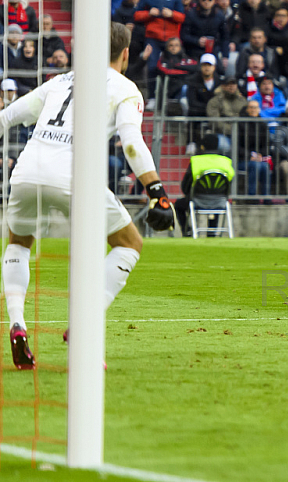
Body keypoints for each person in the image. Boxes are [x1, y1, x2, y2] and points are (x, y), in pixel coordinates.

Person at [0, 23, 175, 369]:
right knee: (129, 243)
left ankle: (17, 324)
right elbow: (131, 142)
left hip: (26, 172)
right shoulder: (125, 88)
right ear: (125, 55)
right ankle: (83, 327)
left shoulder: (61, 80)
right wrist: (156, 190)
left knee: (19, 242)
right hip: (73, 176)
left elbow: (8, 116)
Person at [175, 133, 235, 236]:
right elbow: (229, 184)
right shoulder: (226, 161)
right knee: (215, 196)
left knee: (178, 205)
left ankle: (187, 232)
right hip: (220, 201)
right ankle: (212, 233)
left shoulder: (196, 161)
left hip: (197, 200)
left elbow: (185, 186)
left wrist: (190, 194)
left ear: (202, 146)